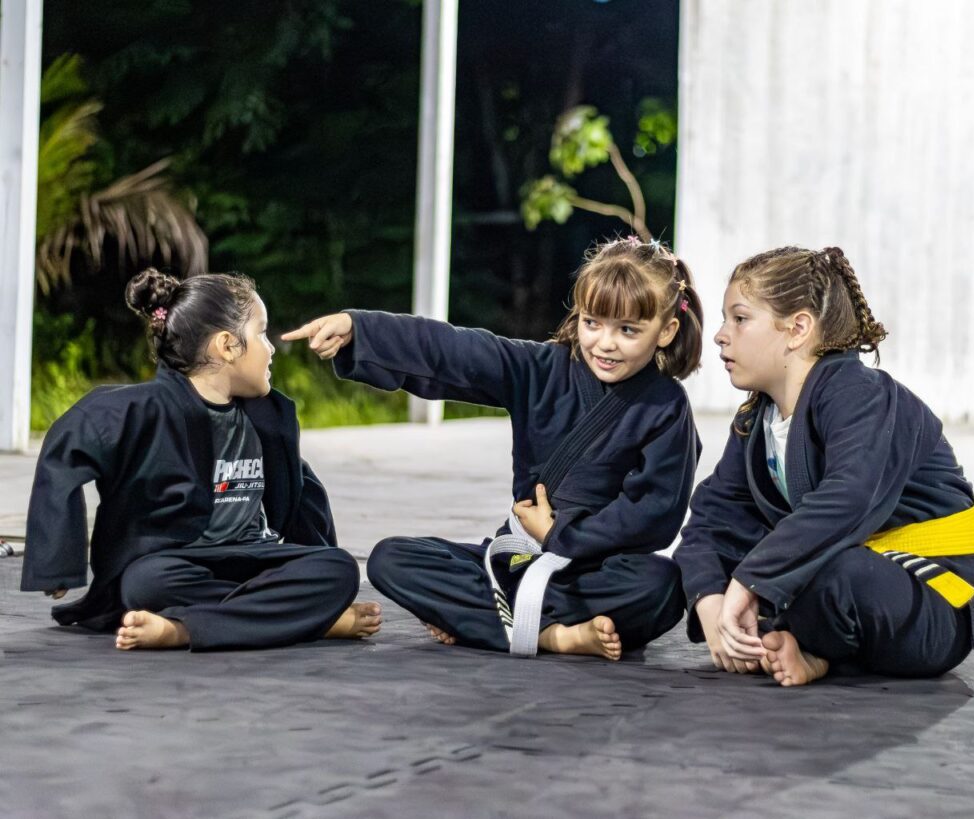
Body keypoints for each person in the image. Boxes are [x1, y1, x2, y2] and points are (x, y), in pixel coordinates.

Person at [283, 237, 703, 660]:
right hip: (516, 565)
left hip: (594, 573)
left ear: (666, 331)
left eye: (628, 330)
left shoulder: (665, 406)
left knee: (662, 585)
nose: (605, 343)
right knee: (390, 559)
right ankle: (552, 635)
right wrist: (361, 330)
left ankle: (485, 621)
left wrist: (561, 536)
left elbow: (655, 512)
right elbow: (455, 349)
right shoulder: (541, 369)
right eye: (593, 322)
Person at [676, 246, 974, 685]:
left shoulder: (859, 393)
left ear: (797, 328)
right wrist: (710, 601)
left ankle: (812, 646)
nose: (721, 335)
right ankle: (811, 648)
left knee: (832, 571)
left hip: (930, 603)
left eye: (740, 318)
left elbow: (849, 497)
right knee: (736, 565)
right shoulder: (758, 418)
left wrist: (748, 583)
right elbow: (711, 519)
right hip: (838, 594)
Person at [21, 268, 382, 651]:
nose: (271, 347)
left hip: (253, 557)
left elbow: (301, 489)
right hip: (180, 563)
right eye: (261, 333)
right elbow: (66, 445)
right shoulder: (145, 410)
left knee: (338, 569)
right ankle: (301, 620)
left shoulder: (267, 417)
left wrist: (319, 554)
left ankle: (184, 628)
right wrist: (56, 561)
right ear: (227, 345)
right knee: (144, 582)